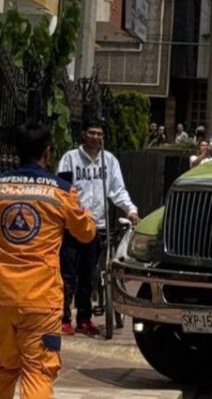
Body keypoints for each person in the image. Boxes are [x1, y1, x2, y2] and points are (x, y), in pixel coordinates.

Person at [0, 122, 96, 399]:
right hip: (39, 298)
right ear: (47, 152)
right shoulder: (61, 192)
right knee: (38, 371)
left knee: (3, 369)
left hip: (2, 297)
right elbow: (86, 233)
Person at [57, 119, 139, 336]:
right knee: (67, 274)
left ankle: (84, 319)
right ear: (84, 134)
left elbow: (117, 190)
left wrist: (130, 210)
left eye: (99, 134)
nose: (95, 137)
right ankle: (64, 318)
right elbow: (62, 191)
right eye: (92, 133)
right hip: (73, 226)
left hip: (98, 226)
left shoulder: (109, 161)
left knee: (89, 274)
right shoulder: (70, 159)